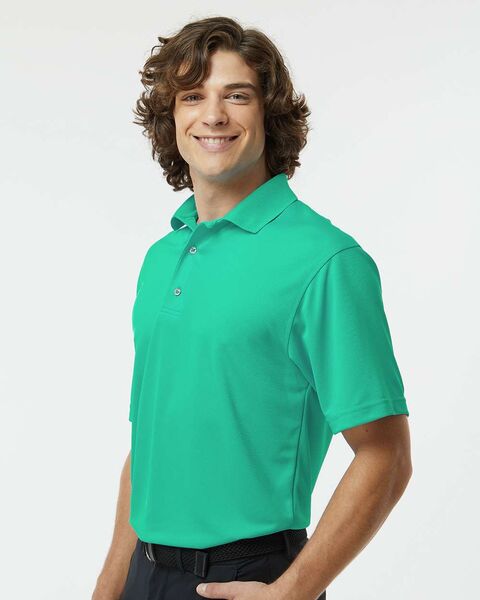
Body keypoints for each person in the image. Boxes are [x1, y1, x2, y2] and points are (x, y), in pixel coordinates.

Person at [92, 15, 412, 600]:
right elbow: (150, 444)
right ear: (171, 118)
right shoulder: (163, 257)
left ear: (269, 114)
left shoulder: (326, 260)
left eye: (236, 95)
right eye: (193, 96)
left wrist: (291, 592)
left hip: (249, 577)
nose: (213, 115)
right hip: (144, 571)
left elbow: (385, 455)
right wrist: (109, 588)